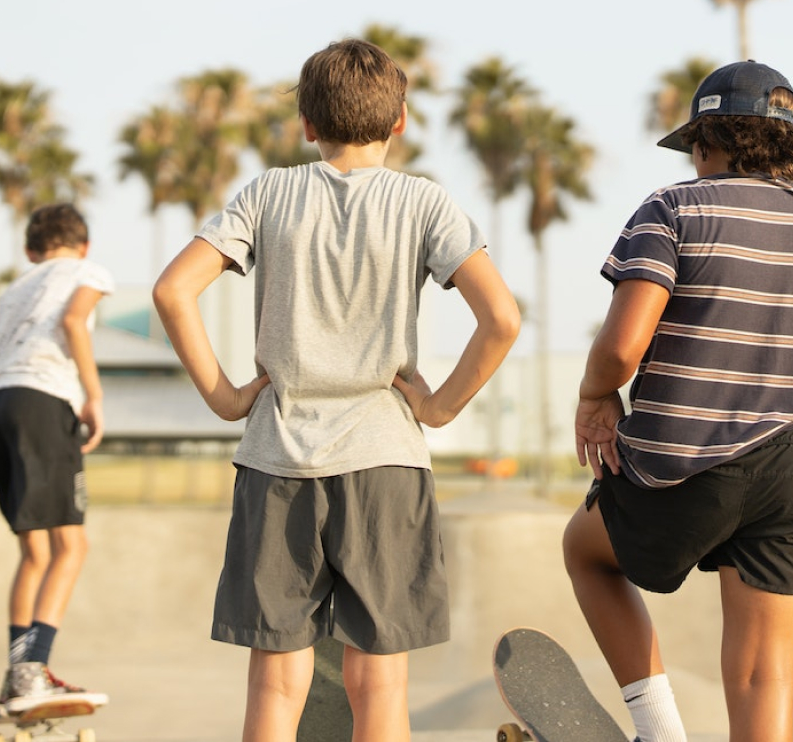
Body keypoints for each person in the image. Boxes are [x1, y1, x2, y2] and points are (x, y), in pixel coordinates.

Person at [152, 38, 520, 742]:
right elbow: (501, 318)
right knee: (377, 681)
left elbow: (173, 290)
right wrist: (439, 407)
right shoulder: (423, 202)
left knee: (277, 680)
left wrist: (225, 398)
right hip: (385, 459)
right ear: (400, 120)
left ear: (307, 124)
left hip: (277, 459)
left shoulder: (268, 193)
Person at [564, 60, 793, 742]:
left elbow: (624, 347)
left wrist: (597, 394)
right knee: (763, 676)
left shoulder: (674, 209)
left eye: (694, 147)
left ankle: (659, 732)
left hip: (684, 464)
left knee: (585, 550)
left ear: (709, 142)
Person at [0, 203, 113, 721]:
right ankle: (32, 669)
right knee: (71, 546)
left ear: (30, 251)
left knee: (35, 553)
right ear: (84, 246)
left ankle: (16, 679)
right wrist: (93, 396)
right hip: (43, 402)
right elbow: (75, 320)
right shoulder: (87, 270)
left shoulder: (13, 291)